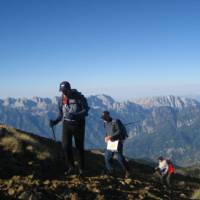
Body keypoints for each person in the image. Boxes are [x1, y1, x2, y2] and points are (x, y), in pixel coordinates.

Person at [49, 81, 89, 175]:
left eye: (65, 90)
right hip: (66, 124)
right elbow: (61, 115)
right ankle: (71, 167)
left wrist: (76, 115)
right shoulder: (61, 99)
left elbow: (86, 111)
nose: (64, 92)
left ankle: (81, 169)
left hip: (79, 124)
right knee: (66, 146)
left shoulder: (79, 97)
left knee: (79, 147)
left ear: (69, 89)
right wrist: (54, 122)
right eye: (62, 91)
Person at [101, 111, 130, 178]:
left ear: (108, 116)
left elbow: (119, 131)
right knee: (107, 157)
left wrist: (111, 137)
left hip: (117, 142)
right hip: (110, 142)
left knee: (119, 158)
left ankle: (127, 170)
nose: (104, 120)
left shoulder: (115, 121)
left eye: (105, 118)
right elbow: (107, 132)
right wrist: (106, 137)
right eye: (103, 118)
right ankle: (111, 171)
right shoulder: (105, 123)